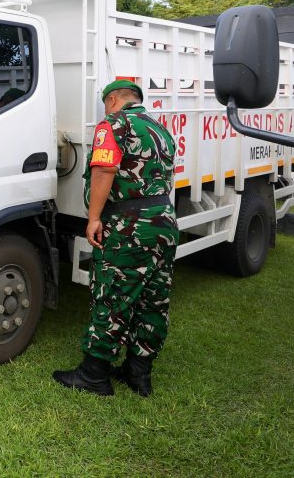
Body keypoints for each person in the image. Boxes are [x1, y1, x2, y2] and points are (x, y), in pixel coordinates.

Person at [53, 80, 177, 397]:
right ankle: (139, 374)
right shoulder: (159, 129)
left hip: (129, 225)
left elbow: (104, 171)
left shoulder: (114, 123)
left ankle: (94, 375)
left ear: (112, 100)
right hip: (163, 222)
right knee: (153, 300)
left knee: (112, 295)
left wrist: (94, 218)